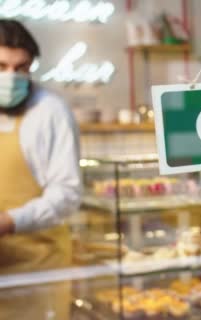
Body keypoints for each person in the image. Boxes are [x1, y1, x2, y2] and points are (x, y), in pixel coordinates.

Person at [0, 20, 81, 319]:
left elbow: (67, 194)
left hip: (36, 273)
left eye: (20, 68)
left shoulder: (50, 112)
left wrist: (9, 222)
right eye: (1, 66)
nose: (10, 77)